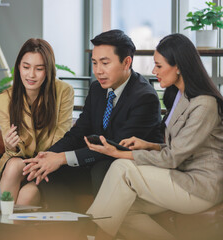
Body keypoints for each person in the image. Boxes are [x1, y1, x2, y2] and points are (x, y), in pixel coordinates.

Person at [84, 33, 223, 239]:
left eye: (159, 66)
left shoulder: (205, 105)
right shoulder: (180, 97)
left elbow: (173, 158)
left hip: (198, 187)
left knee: (122, 168)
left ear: (178, 66)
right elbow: (177, 148)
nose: (153, 71)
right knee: (123, 208)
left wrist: (119, 154)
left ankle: (89, 235)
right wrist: (147, 145)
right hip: (180, 176)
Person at [22, 29, 163, 211]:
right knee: (51, 172)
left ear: (126, 62)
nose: (98, 71)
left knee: (102, 169)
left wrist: (62, 158)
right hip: (96, 160)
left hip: (127, 165)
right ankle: (69, 230)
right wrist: (47, 157)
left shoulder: (145, 97)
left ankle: (100, 231)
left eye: (105, 63)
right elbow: (78, 132)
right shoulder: (97, 89)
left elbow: (117, 147)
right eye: (94, 63)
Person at [0, 38, 74, 205]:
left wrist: (40, 161)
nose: (31, 75)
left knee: (27, 195)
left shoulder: (64, 92)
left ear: (48, 70)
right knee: (15, 164)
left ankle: (2, 229)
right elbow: (14, 151)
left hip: (51, 164)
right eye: (26, 67)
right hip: (18, 164)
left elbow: (61, 139)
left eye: (39, 69)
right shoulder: (2, 100)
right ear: (18, 68)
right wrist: (10, 146)